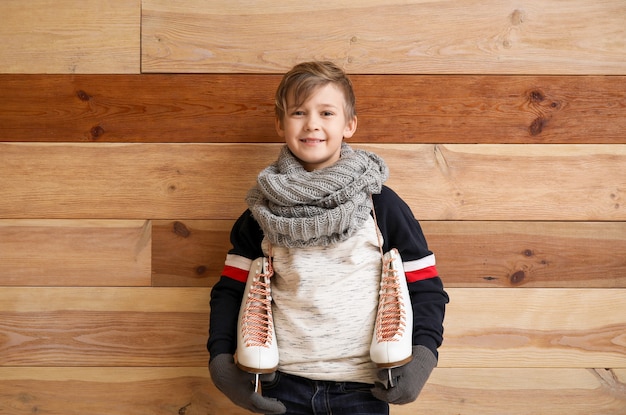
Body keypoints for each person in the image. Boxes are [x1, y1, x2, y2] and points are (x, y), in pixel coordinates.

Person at [207, 61, 448, 415]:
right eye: (299, 112)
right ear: (280, 123)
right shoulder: (261, 214)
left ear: (349, 124)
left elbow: (425, 286)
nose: (312, 124)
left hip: (365, 388)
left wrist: (423, 355)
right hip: (281, 384)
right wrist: (221, 360)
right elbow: (230, 291)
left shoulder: (381, 205)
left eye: (327, 112)